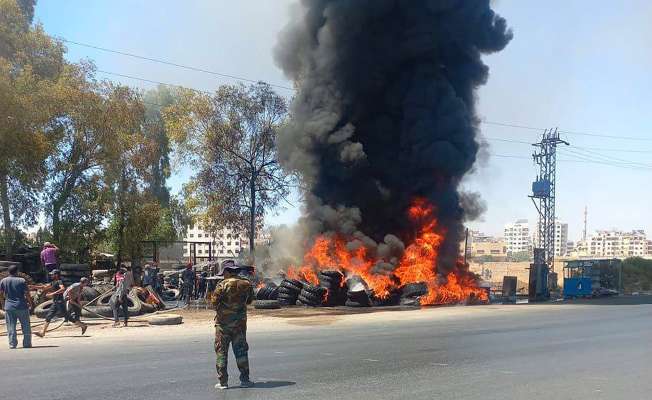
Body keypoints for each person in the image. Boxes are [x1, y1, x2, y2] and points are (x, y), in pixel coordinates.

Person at [211, 261, 254, 390]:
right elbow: (250, 300)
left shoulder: (222, 285)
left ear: (228, 271)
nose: (223, 275)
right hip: (240, 324)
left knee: (221, 352)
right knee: (241, 352)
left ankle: (223, 382)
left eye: (223, 272)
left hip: (223, 325)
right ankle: (245, 380)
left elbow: (214, 303)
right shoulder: (246, 284)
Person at [0, 265, 34, 348]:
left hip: (9, 307)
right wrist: (31, 303)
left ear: (8, 272)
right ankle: (27, 344)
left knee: (11, 326)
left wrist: (3, 304)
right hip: (22, 306)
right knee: (25, 326)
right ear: (17, 272)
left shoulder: (3, 281)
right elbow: (27, 294)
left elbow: (0, 294)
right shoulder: (22, 280)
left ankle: (12, 344)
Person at [34, 270, 68, 338]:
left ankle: (83, 325)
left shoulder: (59, 281)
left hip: (59, 302)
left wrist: (52, 293)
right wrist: (33, 287)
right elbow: (44, 287)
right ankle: (43, 333)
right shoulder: (53, 282)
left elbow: (63, 289)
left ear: (56, 275)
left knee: (68, 317)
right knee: (48, 316)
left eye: (52, 274)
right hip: (55, 302)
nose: (51, 275)